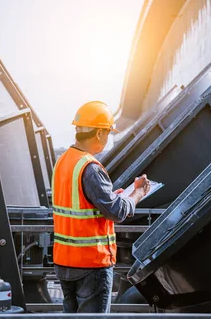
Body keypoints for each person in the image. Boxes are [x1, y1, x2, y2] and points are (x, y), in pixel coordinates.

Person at [51, 101, 150, 313]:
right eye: (107, 133)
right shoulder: (91, 168)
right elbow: (117, 212)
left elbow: (79, 202)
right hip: (91, 263)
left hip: (65, 261)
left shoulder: (64, 162)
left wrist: (112, 196)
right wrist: (137, 193)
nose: (107, 138)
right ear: (98, 134)